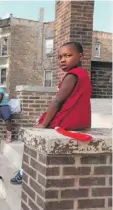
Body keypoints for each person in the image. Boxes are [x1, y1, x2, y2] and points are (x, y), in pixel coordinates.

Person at [10, 41, 92, 185]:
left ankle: (23, 172)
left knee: (33, 141)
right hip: (80, 120)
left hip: (67, 120)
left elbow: (57, 102)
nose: (63, 60)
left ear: (80, 56)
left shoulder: (72, 76)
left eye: (68, 55)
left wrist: (43, 124)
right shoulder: (83, 74)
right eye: (60, 57)